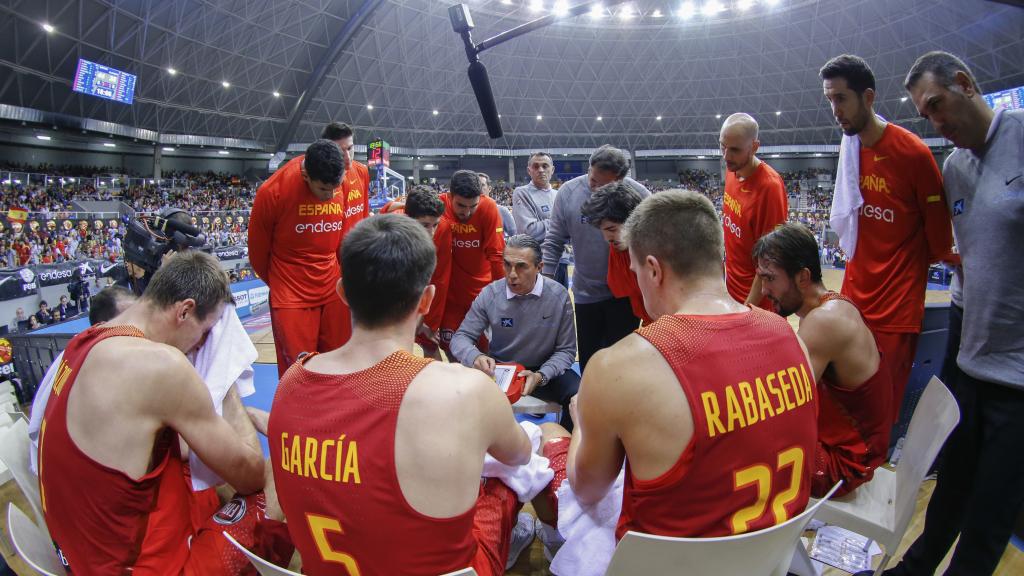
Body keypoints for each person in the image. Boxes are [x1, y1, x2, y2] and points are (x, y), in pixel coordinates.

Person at [538, 190, 817, 547]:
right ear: (720, 260)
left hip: (661, 562)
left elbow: (588, 490)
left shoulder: (615, 366)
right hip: (770, 552)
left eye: (636, 270)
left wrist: (579, 424)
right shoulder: (790, 336)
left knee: (549, 439)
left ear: (653, 269)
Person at [268, 215, 534, 576]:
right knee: (519, 462)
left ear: (343, 292)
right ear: (426, 300)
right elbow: (520, 454)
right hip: (448, 566)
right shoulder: (466, 389)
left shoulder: (291, 382)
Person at [870, 50, 1024, 576]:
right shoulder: (954, 168)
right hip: (970, 362)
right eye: (925, 114)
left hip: (1019, 380)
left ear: (966, 83)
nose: (936, 122)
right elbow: (966, 268)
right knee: (950, 487)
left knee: (990, 514)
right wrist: (958, 352)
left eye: (938, 105)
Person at [37, 252, 274, 574]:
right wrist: (225, 371)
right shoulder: (160, 365)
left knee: (200, 469)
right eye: (205, 333)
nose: (199, 346)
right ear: (185, 311)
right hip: (140, 567)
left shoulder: (85, 341)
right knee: (277, 476)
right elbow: (251, 475)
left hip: (81, 557)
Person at [820, 54, 953, 420]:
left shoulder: (914, 154)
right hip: (853, 302)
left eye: (841, 98)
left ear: (868, 97)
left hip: (895, 313)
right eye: (829, 99)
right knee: (843, 406)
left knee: (880, 413)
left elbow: (940, 240)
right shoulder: (850, 150)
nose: (835, 109)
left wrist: (900, 274)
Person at [753, 223, 892, 497]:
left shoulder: (824, 322)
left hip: (845, 465)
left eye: (770, 279)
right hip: (860, 449)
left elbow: (785, 407)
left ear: (803, 277)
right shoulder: (832, 306)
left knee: (743, 448)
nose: (765, 290)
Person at [451, 234, 579, 430]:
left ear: (539, 267)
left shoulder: (558, 295)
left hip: (543, 370)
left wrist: (541, 376)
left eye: (521, 266)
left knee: (578, 395)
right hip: (501, 369)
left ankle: (561, 449)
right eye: (507, 265)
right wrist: (475, 356)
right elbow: (460, 338)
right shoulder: (491, 294)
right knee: (457, 394)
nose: (511, 274)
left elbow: (567, 350)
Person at [541, 145, 651, 369]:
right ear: (589, 169)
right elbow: (554, 240)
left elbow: (654, 240)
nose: (595, 188)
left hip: (626, 294)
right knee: (590, 362)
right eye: (593, 180)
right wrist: (547, 281)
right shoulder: (568, 193)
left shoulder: (639, 195)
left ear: (620, 180)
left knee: (622, 362)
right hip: (586, 293)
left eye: (604, 185)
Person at [249, 139, 351, 376]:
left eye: (335, 188)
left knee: (339, 365)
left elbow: (340, 240)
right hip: (291, 294)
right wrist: (284, 285)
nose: (331, 195)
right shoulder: (271, 192)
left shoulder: (337, 181)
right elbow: (257, 254)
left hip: (332, 288)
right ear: (305, 175)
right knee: (300, 372)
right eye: (324, 190)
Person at [28, 286, 137, 475]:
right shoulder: (100, 359)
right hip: (65, 475)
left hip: (54, 464)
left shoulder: (77, 347)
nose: (139, 324)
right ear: (104, 325)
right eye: (130, 318)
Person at [719, 113, 788, 309]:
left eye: (734, 150)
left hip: (756, 300)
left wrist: (748, 308)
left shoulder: (770, 188)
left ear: (754, 147)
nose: (726, 156)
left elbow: (770, 257)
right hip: (731, 289)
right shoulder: (732, 169)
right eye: (722, 146)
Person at [438, 170, 506, 353]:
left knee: (487, 355)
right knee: (451, 352)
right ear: (449, 195)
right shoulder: (438, 204)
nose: (467, 212)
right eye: (461, 205)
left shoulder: (489, 207)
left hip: (481, 297)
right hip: (450, 299)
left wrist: (501, 299)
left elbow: (497, 256)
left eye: (473, 206)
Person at [388, 185, 454, 360]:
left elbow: (440, 279)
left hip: (425, 296)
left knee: (429, 344)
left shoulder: (444, 229)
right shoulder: (391, 224)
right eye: (424, 225)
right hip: (396, 299)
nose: (431, 232)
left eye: (435, 225)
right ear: (408, 219)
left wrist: (430, 323)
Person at [580, 181, 652, 325]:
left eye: (611, 230)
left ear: (633, 220)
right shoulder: (619, 248)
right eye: (603, 230)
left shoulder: (661, 249)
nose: (607, 239)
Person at [513, 152, 570, 287]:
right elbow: (529, 232)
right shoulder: (522, 192)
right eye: (536, 166)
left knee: (561, 303)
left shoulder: (560, 194)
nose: (541, 170)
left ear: (552, 170)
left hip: (562, 260)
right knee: (541, 305)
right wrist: (561, 221)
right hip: (537, 262)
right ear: (529, 170)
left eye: (545, 166)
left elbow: (570, 229)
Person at [479, 172, 517, 238]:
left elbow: (514, 236)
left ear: (489, 188)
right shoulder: (466, 213)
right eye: (476, 185)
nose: (478, 188)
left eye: (482, 185)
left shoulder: (502, 211)